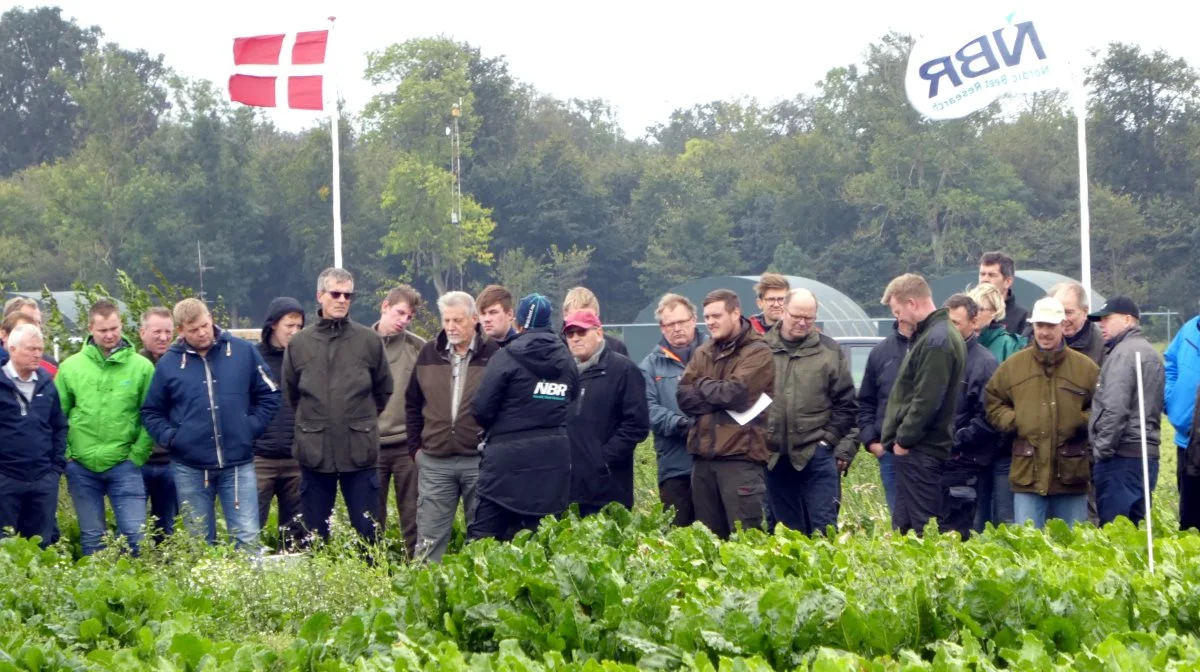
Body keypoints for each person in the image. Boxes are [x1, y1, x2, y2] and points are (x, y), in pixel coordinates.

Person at [141, 299, 280, 550]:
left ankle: (250, 589)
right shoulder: (169, 364)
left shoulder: (242, 352)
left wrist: (250, 428)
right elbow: (151, 411)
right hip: (190, 467)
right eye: (194, 330)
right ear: (181, 331)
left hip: (238, 464)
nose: (203, 332)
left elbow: (270, 394)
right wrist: (173, 438)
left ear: (211, 317)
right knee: (199, 542)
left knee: (247, 537)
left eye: (205, 325)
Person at [282, 268, 393, 544]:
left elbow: (384, 388)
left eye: (348, 295)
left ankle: (371, 583)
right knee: (315, 534)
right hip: (315, 452)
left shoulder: (368, 340)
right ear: (320, 295)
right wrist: (315, 422)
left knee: (368, 531)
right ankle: (320, 585)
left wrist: (358, 420)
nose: (342, 300)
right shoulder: (299, 343)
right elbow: (291, 393)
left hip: (359, 451)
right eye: (335, 293)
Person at [470, 293, 578, 541]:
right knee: (539, 546)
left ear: (518, 323)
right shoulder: (567, 360)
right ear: (549, 323)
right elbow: (571, 400)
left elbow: (481, 409)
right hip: (552, 464)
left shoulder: (505, 357)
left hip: (504, 465)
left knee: (483, 544)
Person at [985, 297, 1099, 529]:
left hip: (1071, 475)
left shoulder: (1086, 369)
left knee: (1074, 549)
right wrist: (1016, 421)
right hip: (1028, 475)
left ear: (1062, 326)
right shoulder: (1012, 367)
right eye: (1040, 326)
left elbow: (1101, 407)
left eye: (1050, 326)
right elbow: (992, 401)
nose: (1044, 332)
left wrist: (1079, 421)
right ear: (1033, 327)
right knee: (1029, 548)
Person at [57, 299, 155, 555]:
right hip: (81, 465)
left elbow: (151, 415)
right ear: (90, 328)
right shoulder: (70, 367)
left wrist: (137, 455)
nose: (110, 335)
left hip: (125, 464)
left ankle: (139, 590)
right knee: (92, 537)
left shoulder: (142, 368)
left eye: (114, 328)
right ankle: (97, 592)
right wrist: (67, 454)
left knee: (135, 535)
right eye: (103, 330)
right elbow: (57, 416)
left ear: (121, 325)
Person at [405, 291, 498, 562]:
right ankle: (423, 598)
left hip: (477, 461)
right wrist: (416, 450)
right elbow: (412, 403)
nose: (451, 326)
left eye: (457, 320)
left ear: (474, 320)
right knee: (429, 539)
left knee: (481, 537)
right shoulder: (428, 353)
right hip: (435, 461)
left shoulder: (495, 355)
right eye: (446, 320)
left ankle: (480, 595)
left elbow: (505, 406)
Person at [677, 289, 774, 539]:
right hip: (702, 460)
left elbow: (736, 395)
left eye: (716, 316)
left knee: (746, 544)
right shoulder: (703, 351)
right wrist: (717, 393)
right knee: (709, 544)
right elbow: (683, 398)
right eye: (707, 317)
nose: (710, 322)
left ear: (735, 313)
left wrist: (702, 384)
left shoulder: (758, 351)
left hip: (740, 460)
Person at [762, 288, 856, 536]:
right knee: (783, 533)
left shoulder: (829, 351)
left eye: (809, 318)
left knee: (823, 529)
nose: (803, 323)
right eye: (797, 316)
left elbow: (847, 404)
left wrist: (828, 441)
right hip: (773, 458)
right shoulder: (760, 349)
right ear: (783, 311)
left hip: (816, 454)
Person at [880, 274, 966, 536]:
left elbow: (927, 400)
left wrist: (903, 441)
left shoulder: (936, 341)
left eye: (898, 312)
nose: (898, 320)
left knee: (923, 531)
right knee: (905, 529)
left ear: (912, 303)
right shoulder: (937, 335)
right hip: (921, 451)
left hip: (921, 451)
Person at [564, 311, 649, 515]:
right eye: (570, 334)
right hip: (569, 488)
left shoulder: (623, 369)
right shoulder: (563, 373)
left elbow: (637, 425)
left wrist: (602, 459)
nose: (575, 338)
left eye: (581, 332)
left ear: (599, 333)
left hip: (609, 488)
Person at [1087, 296, 1163, 526]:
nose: (1101, 325)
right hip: (1147, 454)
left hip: (1121, 457)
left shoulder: (1122, 354)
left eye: (1107, 319)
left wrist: (1101, 451)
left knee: (1114, 531)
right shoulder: (1151, 352)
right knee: (1137, 528)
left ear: (1128, 319)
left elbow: (1115, 408)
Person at [639, 293, 706, 526]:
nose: (677, 328)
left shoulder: (715, 355)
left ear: (693, 320)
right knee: (680, 535)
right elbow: (647, 409)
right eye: (670, 324)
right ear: (662, 327)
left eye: (682, 322)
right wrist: (679, 424)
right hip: (675, 466)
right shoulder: (650, 365)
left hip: (713, 461)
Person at [0, 325, 66, 548]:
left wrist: (55, 469)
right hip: (6, 479)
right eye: (30, 349)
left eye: (40, 348)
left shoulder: (47, 384)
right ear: (12, 348)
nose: (37, 354)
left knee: (41, 545)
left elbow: (59, 426)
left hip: (42, 479)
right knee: (5, 546)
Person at [939, 294, 1000, 538]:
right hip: (935, 463)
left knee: (962, 534)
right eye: (947, 323)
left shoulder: (984, 363)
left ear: (974, 323)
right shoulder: (937, 356)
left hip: (966, 464)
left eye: (956, 323)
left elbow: (988, 417)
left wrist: (956, 440)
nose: (949, 329)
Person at [967, 281, 1025, 531]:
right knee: (975, 518)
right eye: (972, 307)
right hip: (974, 446)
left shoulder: (1010, 345)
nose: (976, 313)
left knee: (1005, 517)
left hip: (1003, 446)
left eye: (981, 308)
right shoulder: (964, 347)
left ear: (995, 312)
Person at [374, 286, 425, 559]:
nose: (403, 320)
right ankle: (373, 573)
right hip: (371, 445)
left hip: (408, 445)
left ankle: (416, 573)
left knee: (413, 516)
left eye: (409, 316)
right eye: (400, 312)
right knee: (371, 519)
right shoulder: (362, 343)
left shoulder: (418, 348)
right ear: (385, 306)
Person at [253, 298, 306, 549]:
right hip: (260, 458)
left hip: (297, 457)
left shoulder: (305, 359)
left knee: (298, 530)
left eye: (299, 326)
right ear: (273, 325)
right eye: (289, 325)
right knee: (252, 524)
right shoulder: (253, 359)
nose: (295, 332)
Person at [857, 319, 912, 525]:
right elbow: (866, 401)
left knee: (929, 522)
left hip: (925, 451)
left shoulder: (932, 347)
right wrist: (872, 442)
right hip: (888, 451)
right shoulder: (880, 352)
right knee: (898, 520)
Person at [138, 307, 177, 537]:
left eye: (168, 332)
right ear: (143, 332)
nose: (163, 337)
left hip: (170, 459)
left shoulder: (181, 364)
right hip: (138, 459)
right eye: (157, 332)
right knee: (135, 525)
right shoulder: (131, 366)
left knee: (167, 525)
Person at [1165, 311, 1200, 530]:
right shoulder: (1189, 329)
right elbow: (1171, 364)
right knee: (1190, 521)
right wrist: (1172, 401)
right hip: (1187, 441)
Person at [1049, 282, 1106, 366]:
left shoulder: (1103, 344)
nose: (1063, 318)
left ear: (1085, 311)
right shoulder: (1042, 338)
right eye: (1058, 312)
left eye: (1068, 312)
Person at [561, 287, 629, 357]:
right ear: (565, 316)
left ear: (597, 316)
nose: (576, 338)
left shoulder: (617, 348)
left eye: (587, 317)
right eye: (575, 317)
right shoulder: (556, 352)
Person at [978, 251, 1029, 336]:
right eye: (982, 274)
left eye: (992, 275)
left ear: (1007, 282)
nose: (985, 279)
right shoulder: (968, 311)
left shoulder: (1022, 317)